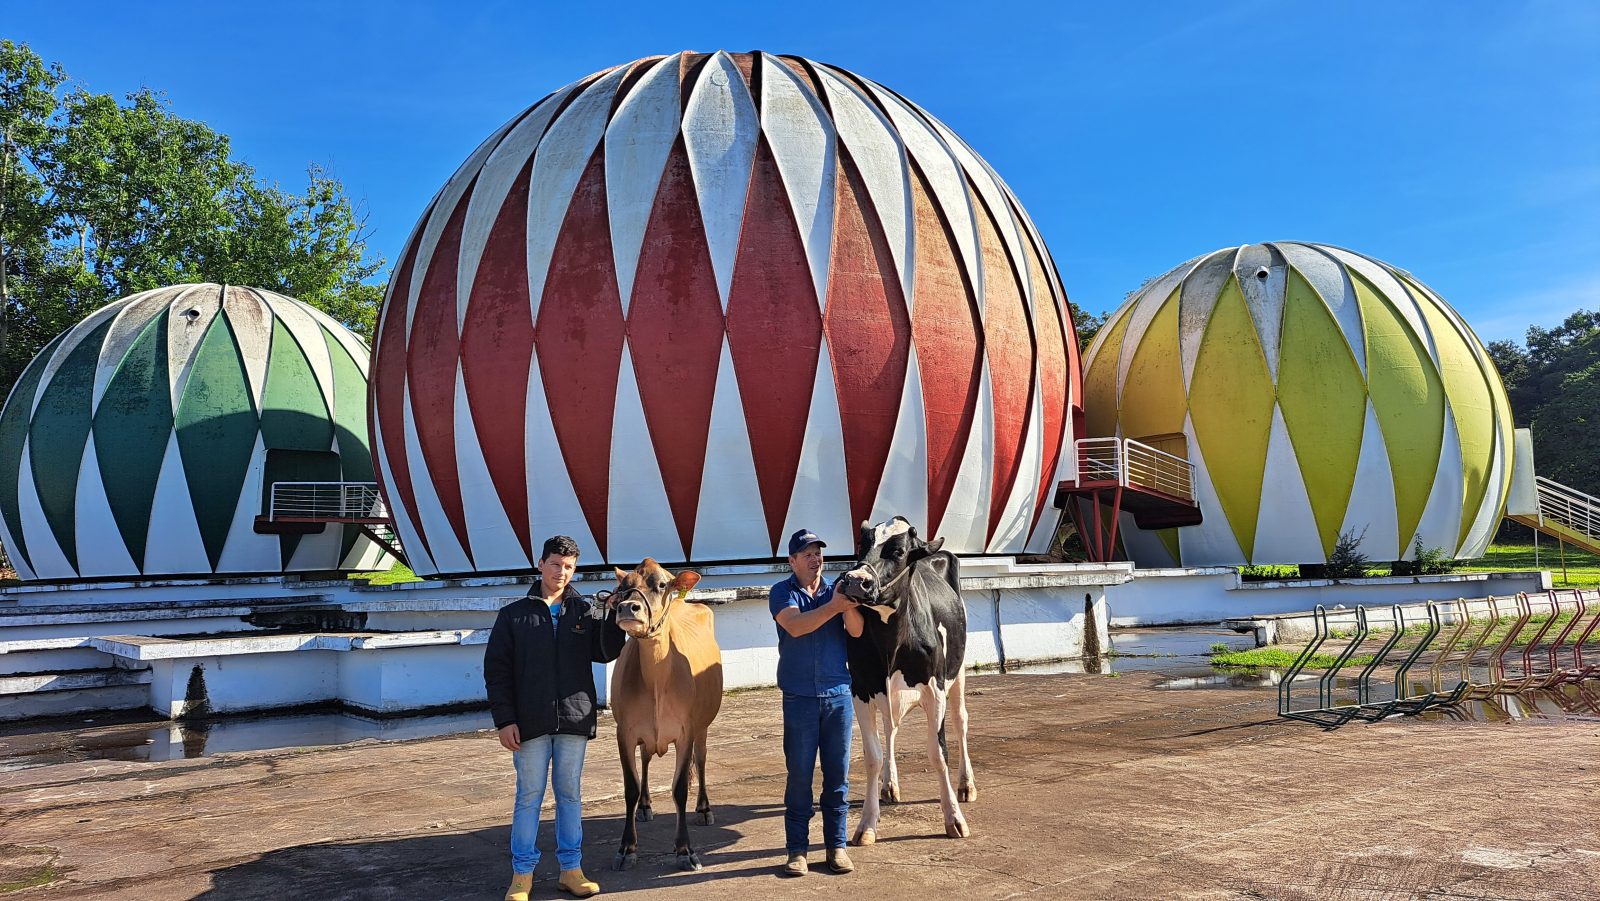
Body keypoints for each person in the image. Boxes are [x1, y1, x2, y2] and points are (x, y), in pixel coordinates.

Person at [485, 535, 626, 900]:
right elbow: (497, 671)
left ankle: (571, 870)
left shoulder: (583, 611)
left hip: (574, 720)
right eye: (555, 564)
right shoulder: (514, 615)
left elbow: (605, 652)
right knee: (528, 797)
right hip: (528, 723)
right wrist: (505, 720)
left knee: (570, 796)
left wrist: (611, 615)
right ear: (540, 564)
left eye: (568, 567)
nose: (561, 572)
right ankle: (522, 876)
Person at [769, 527, 865, 877]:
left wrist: (848, 605)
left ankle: (836, 847)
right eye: (807, 554)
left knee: (838, 777)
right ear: (792, 561)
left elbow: (855, 631)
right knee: (799, 777)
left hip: (838, 695)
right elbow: (795, 626)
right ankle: (797, 851)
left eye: (818, 553)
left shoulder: (835, 590)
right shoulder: (782, 592)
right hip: (799, 698)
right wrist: (834, 606)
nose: (815, 559)